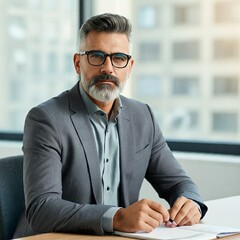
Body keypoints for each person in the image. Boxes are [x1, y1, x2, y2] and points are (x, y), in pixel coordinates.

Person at [14, 13, 207, 238]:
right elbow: (42, 210)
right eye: (97, 56)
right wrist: (117, 218)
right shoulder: (46, 119)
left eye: (118, 58)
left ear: (129, 66)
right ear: (78, 63)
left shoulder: (142, 116)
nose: (108, 68)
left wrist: (191, 203)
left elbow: (179, 183)